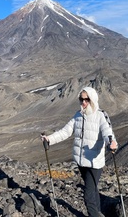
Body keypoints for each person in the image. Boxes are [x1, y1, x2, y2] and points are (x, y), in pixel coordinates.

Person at [41, 86, 118, 217]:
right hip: (81, 162)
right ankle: (98, 213)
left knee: (88, 196)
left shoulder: (100, 116)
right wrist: (49, 139)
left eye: (87, 99)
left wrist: (111, 143)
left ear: (93, 100)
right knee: (93, 191)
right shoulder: (78, 116)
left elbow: (107, 132)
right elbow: (65, 132)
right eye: (81, 99)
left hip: (94, 163)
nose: (83, 102)